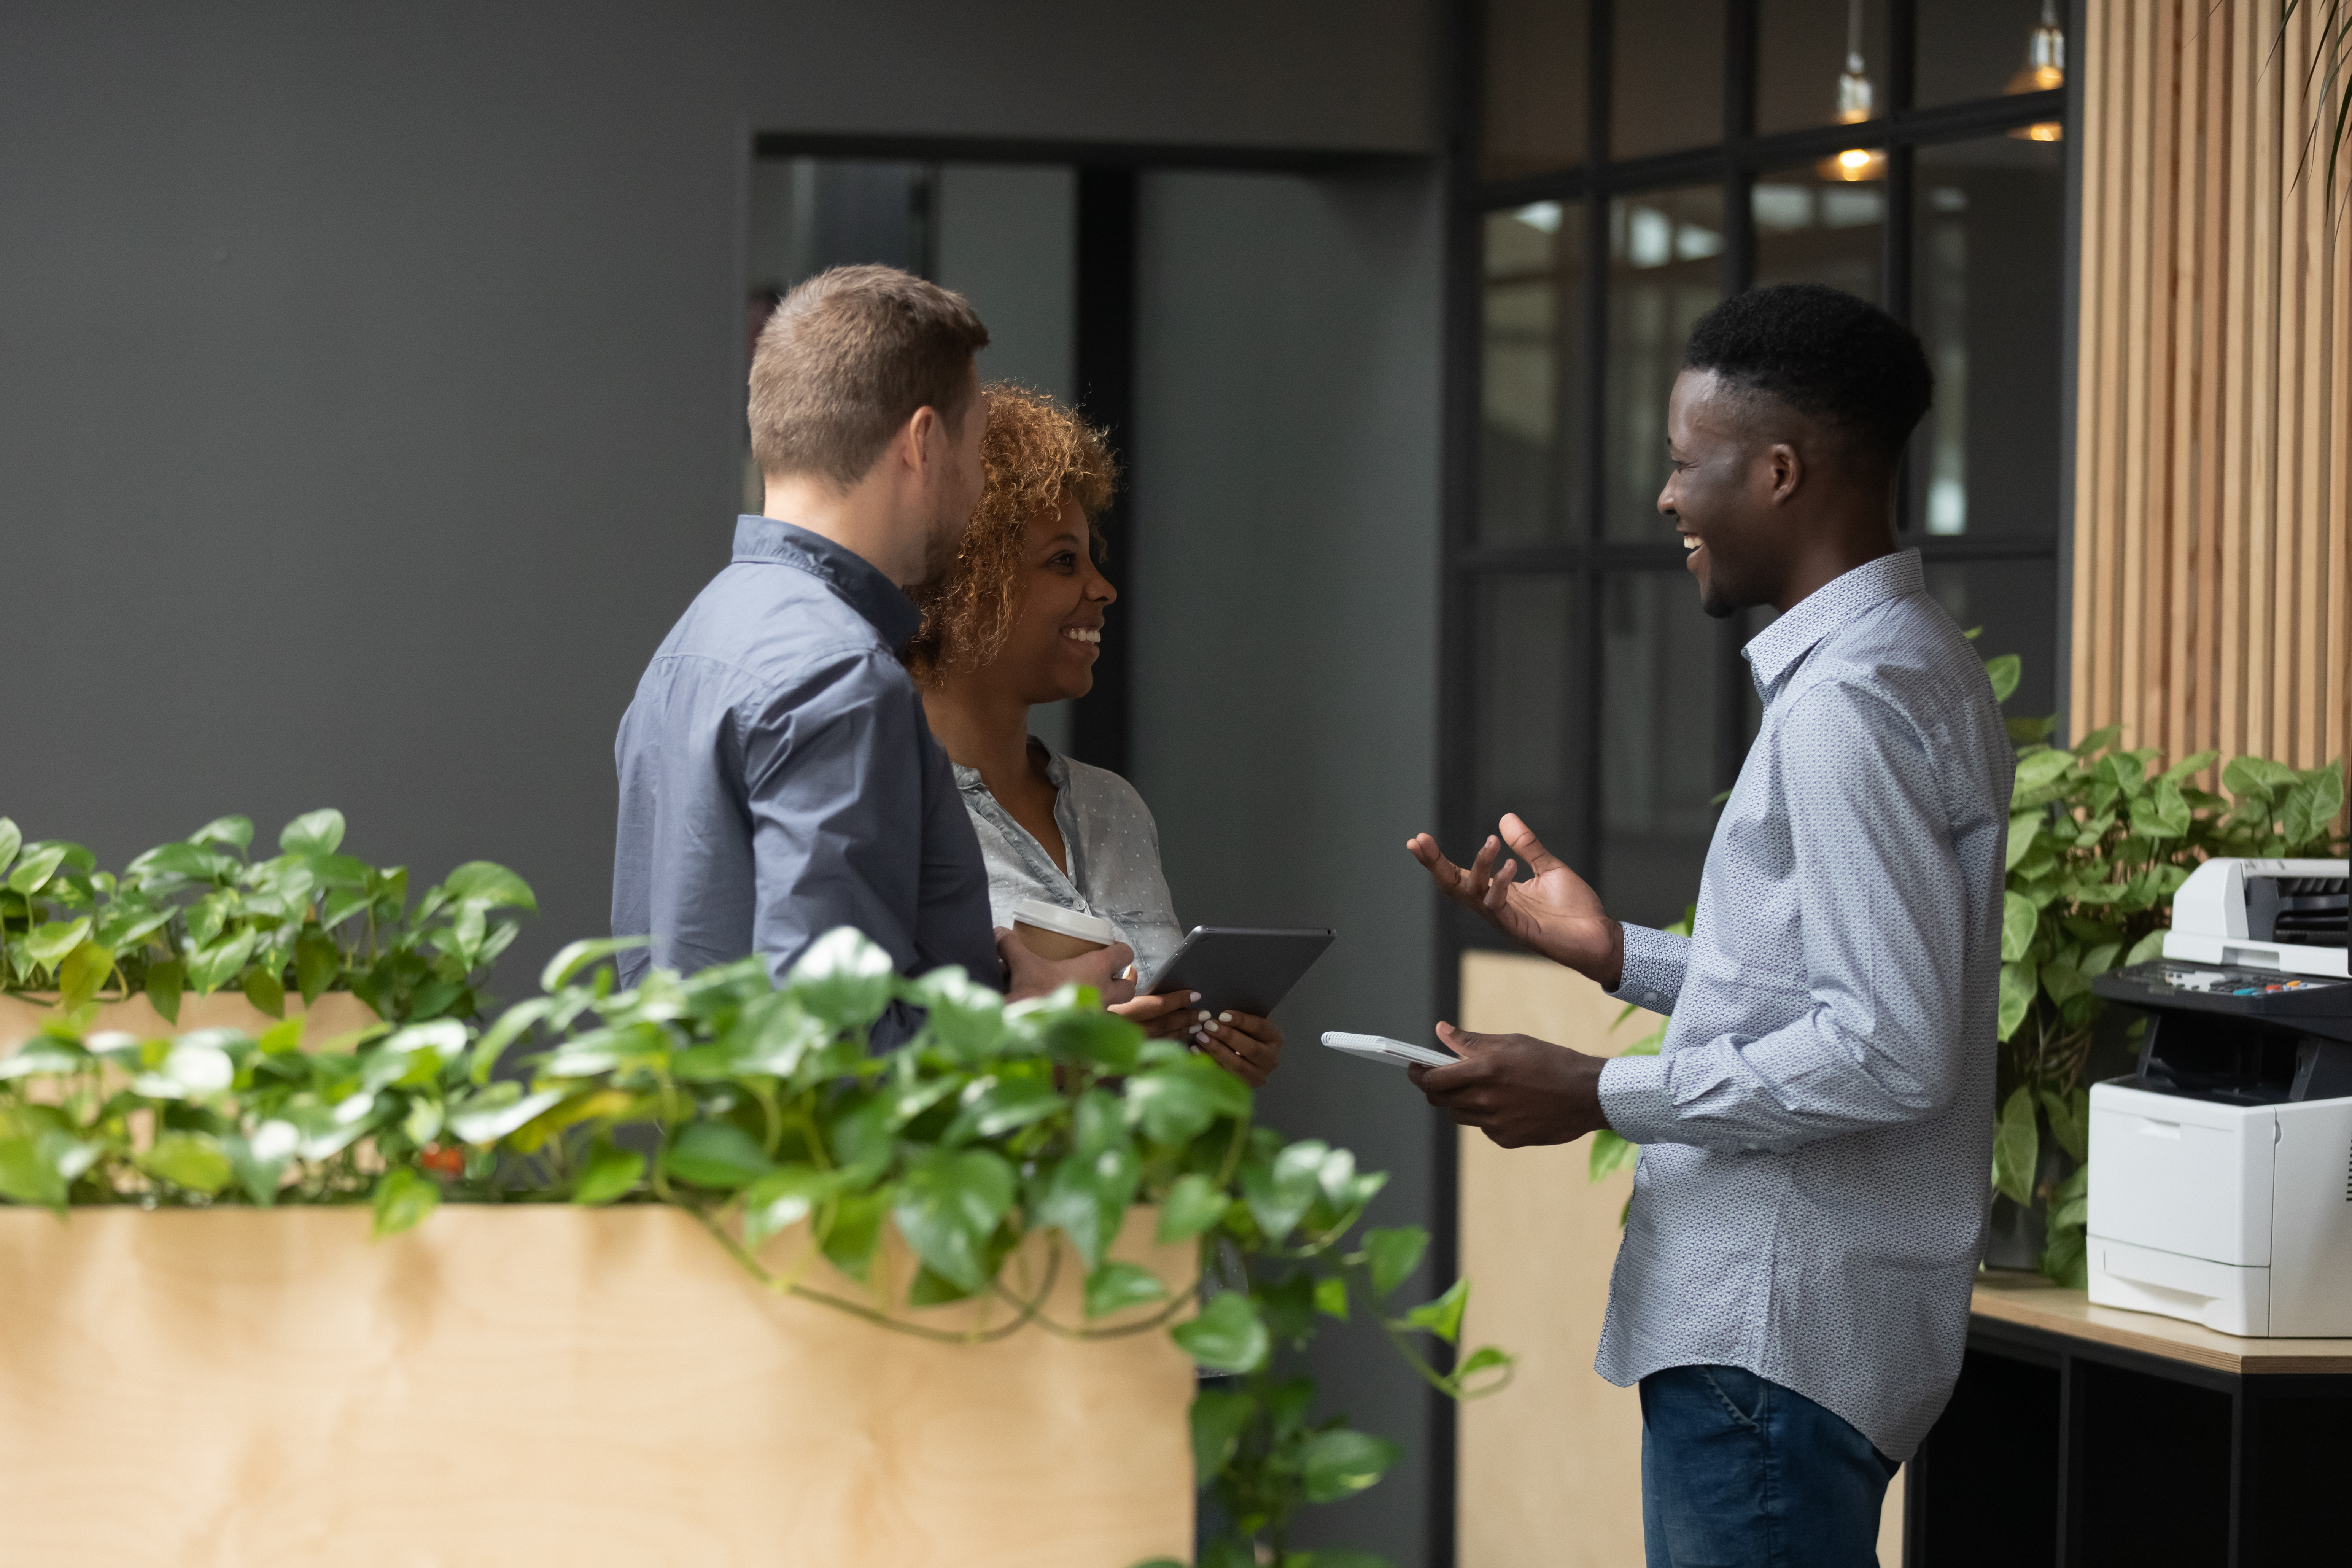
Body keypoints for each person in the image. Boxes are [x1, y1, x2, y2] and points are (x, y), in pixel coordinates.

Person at [1405, 284, 2012, 1566]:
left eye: (1686, 465)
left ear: (1780, 471)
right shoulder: (1912, 659)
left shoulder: (1849, 702)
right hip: (1797, 1343)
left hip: (1768, 1340)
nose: (1668, 501)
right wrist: (1619, 954)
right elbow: (1843, 988)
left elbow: (1887, 1044)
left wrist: (1598, 1088)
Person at [611, 266, 1132, 1037]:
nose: (976, 487)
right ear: (923, 443)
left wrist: (991, 984)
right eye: (978, 445)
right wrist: (1030, 1025)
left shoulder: (694, 643)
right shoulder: (843, 677)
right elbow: (831, 1044)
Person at [905, 383, 1284, 1087]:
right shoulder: (891, 814)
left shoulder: (1114, 807)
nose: (1103, 587)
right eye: (1063, 561)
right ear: (970, 584)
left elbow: (1164, 1059)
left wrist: (1213, 1056)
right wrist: (1058, 1057)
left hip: (1145, 1194)